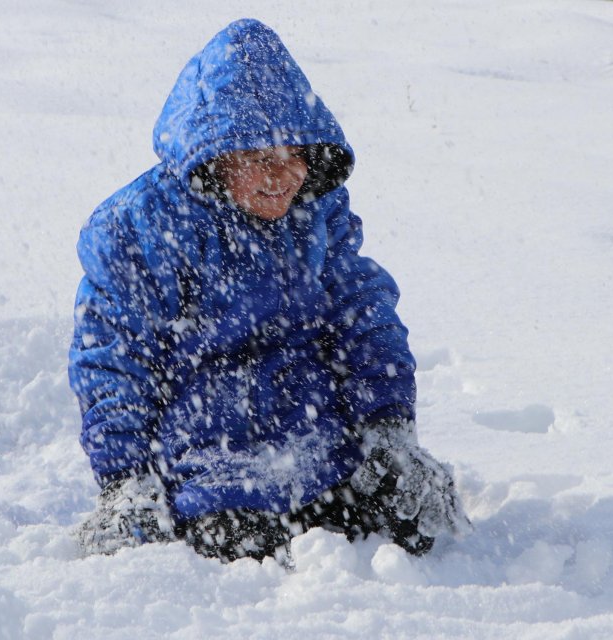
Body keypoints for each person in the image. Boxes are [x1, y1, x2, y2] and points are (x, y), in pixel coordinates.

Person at [69, 18, 468, 563]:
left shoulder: (318, 214)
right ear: (217, 157)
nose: (283, 176)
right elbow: (115, 356)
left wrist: (388, 427)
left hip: (319, 434)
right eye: (261, 160)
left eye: (296, 158)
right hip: (210, 446)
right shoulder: (143, 227)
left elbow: (363, 314)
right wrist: (124, 478)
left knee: (404, 526)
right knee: (249, 549)